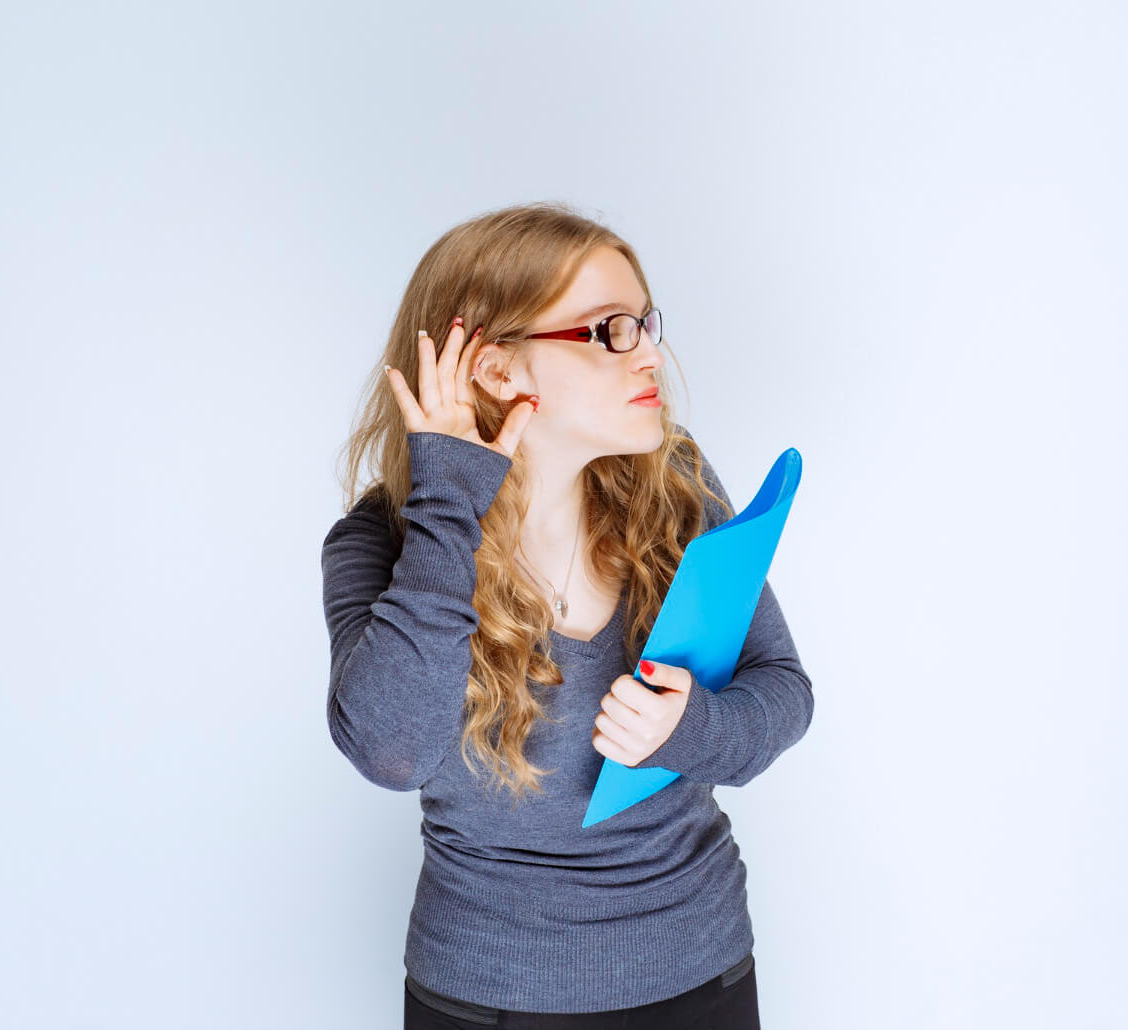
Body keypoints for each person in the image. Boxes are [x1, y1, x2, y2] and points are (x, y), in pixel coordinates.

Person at [320, 201, 814, 1028]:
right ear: (495, 368)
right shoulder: (382, 540)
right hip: (488, 1000)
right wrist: (450, 499)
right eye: (608, 330)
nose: (649, 352)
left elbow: (784, 692)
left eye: (646, 323)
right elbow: (392, 751)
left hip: (702, 976)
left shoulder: (676, 482)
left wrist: (688, 731)